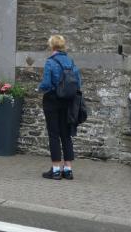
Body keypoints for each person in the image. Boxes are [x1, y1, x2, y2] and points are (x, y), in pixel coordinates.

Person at [37, 34, 80, 180]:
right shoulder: (71, 62)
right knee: (66, 134)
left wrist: (39, 88)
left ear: (52, 46)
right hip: (68, 101)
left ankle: (55, 169)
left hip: (52, 100)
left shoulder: (50, 62)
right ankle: (68, 169)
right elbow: (78, 84)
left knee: (54, 134)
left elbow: (46, 84)